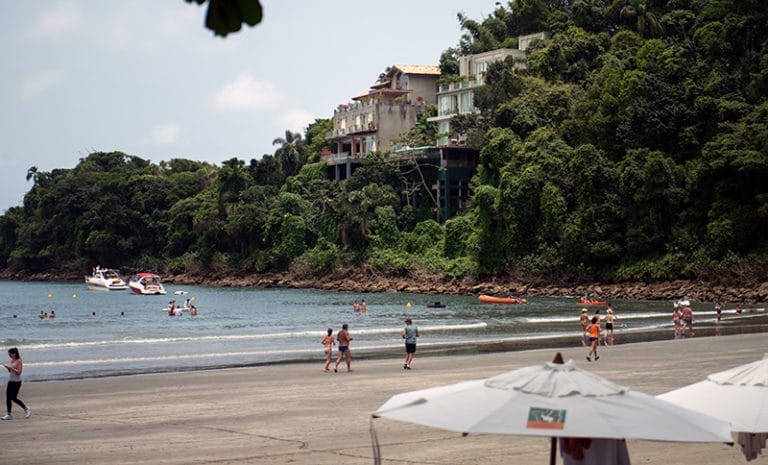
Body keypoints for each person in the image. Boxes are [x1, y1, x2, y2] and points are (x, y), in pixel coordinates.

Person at [2, 348, 31, 420]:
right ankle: (9, 414)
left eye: (10, 354)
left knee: (13, 398)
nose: (9, 355)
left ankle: (26, 408)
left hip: (17, 382)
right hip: (11, 381)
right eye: (9, 354)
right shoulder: (12, 360)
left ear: (14, 353)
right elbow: (11, 372)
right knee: (8, 398)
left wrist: (11, 367)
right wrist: (8, 368)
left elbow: (19, 372)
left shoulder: (19, 361)